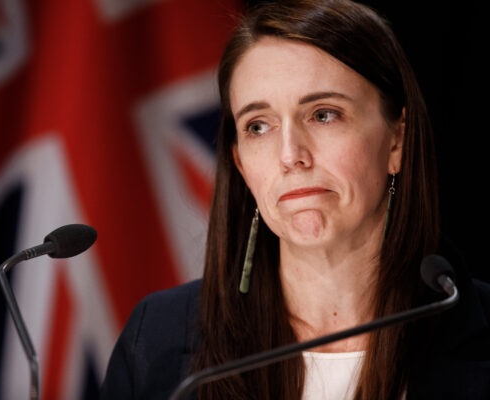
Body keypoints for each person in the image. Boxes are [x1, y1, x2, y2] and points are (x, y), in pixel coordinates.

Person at [100, 1, 490, 399]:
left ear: (396, 141)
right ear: (240, 164)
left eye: (323, 114)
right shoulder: (157, 340)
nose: (290, 155)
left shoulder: (477, 331)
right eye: (259, 126)